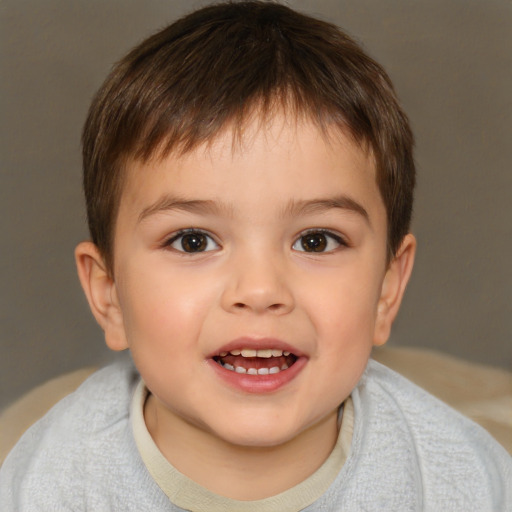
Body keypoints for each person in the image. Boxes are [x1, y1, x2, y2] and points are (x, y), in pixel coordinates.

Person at [1, 2, 510, 510]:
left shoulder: (459, 481)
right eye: (192, 241)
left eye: (316, 240)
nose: (260, 290)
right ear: (109, 294)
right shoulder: (49, 484)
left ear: (387, 288)